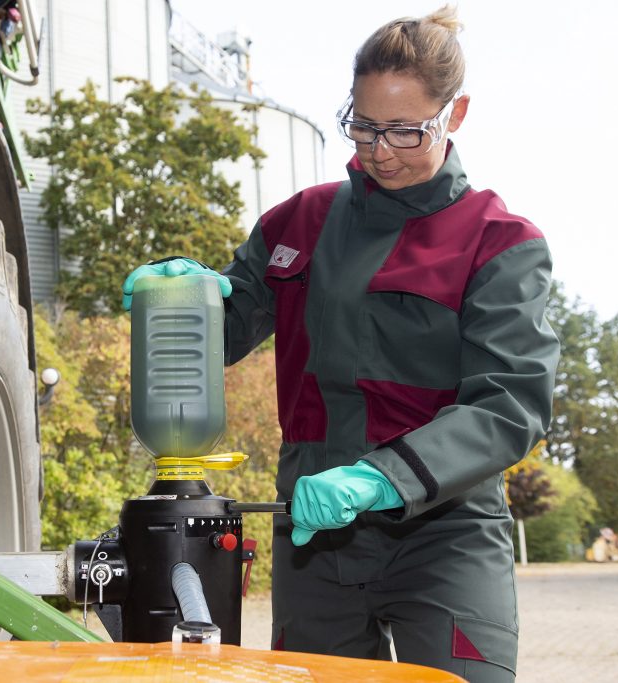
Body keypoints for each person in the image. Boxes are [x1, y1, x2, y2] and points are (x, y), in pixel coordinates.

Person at [122, 6, 558, 682]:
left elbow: (509, 406)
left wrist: (380, 476)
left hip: (446, 533)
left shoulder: (500, 243)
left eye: (406, 130)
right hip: (313, 535)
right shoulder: (300, 221)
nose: (379, 149)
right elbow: (229, 330)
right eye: (363, 125)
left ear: (457, 113)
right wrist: (187, 302)